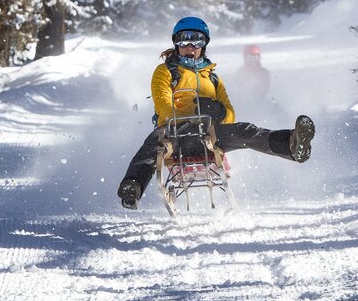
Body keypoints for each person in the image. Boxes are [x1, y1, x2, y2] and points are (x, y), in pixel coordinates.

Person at [117, 16, 315, 210]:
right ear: (176, 43)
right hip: (174, 135)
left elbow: (230, 114)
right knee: (153, 142)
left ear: (204, 45)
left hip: (208, 134)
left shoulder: (212, 78)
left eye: (197, 40)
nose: (191, 46)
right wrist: (182, 120)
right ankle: (132, 187)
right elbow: (163, 103)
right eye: (185, 39)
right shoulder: (165, 71)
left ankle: (291, 144)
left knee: (245, 130)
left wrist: (217, 111)